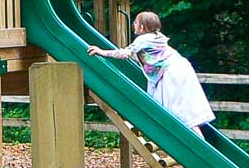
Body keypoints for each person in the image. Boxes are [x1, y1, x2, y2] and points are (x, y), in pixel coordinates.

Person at [88, 11, 219, 142]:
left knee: (177, 112)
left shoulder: (143, 39)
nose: (133, 24)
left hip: (170, 72)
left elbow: (125, 54)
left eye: (135, 22)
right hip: (180, 67)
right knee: (183, 109)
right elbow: (145, 57)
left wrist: (102, 52)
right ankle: (198, 141)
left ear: (141, 27)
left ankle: (199, 143)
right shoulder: (157, 37)